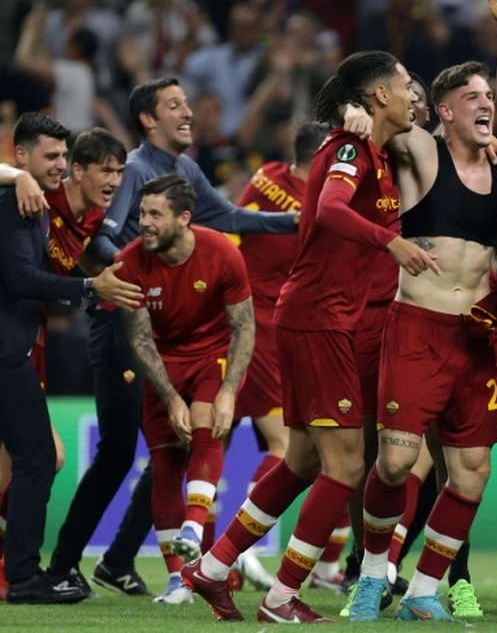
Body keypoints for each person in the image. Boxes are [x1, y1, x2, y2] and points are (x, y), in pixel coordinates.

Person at [183, 50, 432, 624]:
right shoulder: (350, 148)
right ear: (378, 98)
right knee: (344, 468)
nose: (411, 93)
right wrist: (390, 242)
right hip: (320, 318)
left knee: (298, 461)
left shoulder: (378, 148)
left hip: (322, 318)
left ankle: (213, 569)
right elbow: (327, 210)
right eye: (403, 84)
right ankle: (281, 596)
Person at [48, 76, 296, 597]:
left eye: (187, 104)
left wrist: (297, 221)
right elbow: (103, 234)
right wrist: (144, 272)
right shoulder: (137, 170)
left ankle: (125, 562)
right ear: (148, 119)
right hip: (124, 322)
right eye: (175, 105)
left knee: (168, 448)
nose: (188, 112)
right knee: (124, 451)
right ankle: (66, 563)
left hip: (164, 329)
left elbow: (226, 216)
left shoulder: (182, 170)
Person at [348, 60, 497, 623]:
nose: (486, 103)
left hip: (475, 336)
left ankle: (423, 591)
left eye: (489, 95)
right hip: (418, 326)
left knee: (472, 472)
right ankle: (371, 577)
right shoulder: (423, 151)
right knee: (395, 464)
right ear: (445, 111)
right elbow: (378, 120)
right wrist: (352, 115)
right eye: (472, 96)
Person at [0, 117, 141, 605]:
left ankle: (17, 572)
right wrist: (15, 176)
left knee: (36, 458)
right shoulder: (25, 200)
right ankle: (20, 574)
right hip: (9, 342)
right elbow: (21, 276)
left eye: (121, 172)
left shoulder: (81, 220)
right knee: (40, 457)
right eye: (53, 158)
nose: (60, 167)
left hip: (22, 341)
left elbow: (83, 261)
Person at [114, 174, 255, 604]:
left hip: (213, 356)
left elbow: (244, 327)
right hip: (162, 365)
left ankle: (195, 529)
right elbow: (139, 340)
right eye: (142, 214)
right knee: (164, 463)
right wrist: (170, 397)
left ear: (184, 218)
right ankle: (179, 582)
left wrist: (230, 389)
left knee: (203, 425)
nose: (145, 223)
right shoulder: (131, 261)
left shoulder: (221, 253)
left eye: (156, 214)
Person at [224, 121, 332, 592]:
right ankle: (241, 551)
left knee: (215, 444)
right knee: (286, 448)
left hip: (240, 322)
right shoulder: (315, 205)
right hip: (268, 330)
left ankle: (214, 554)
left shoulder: (266, 173)